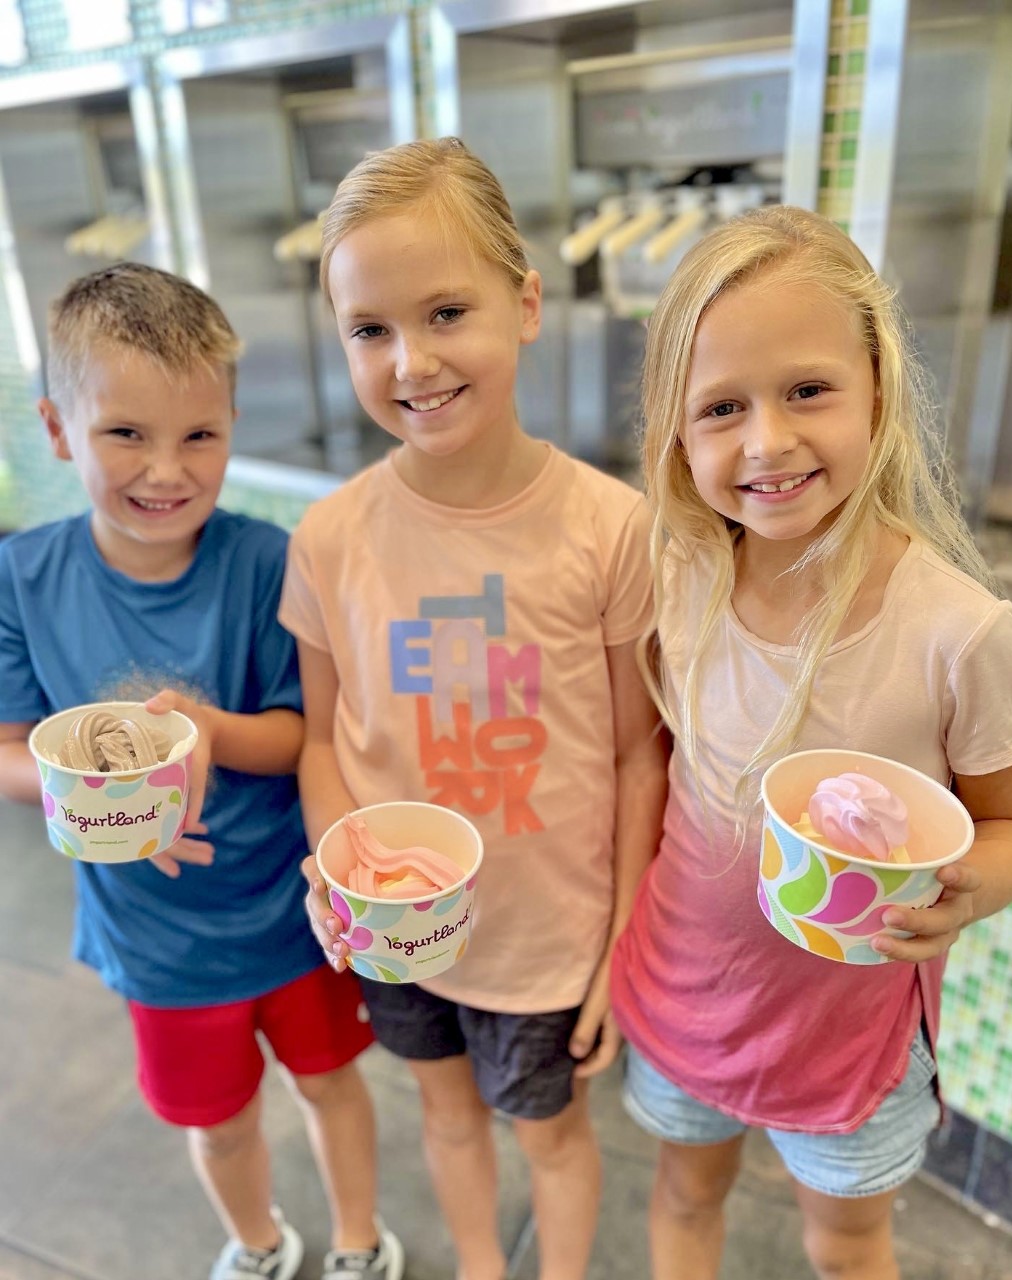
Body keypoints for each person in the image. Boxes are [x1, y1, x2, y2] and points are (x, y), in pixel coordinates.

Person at [609, 204, 1012, 1280]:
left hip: (850, 1032)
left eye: (807, 390)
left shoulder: (959, 631)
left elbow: (1011, 822)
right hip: (687, 988)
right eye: (721, 407)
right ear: (676, 432)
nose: (767, 441)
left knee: (847, 1246)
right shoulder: (679, 575)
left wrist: (964, 893)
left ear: (877, 387)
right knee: (683, 1196)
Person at [282, 137, 669, 1280]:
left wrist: (619, 943)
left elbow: (639, 756)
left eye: (447, 312)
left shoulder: (610, 528)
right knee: (445, 1116)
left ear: (527, 304)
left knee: (549, 1136)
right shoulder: (330, 536)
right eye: (369, 329)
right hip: (397, 932)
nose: (412, 360)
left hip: (546, 939)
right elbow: (322, 737)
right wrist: (339, 872)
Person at [0, 263, 404, 1280]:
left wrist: (211, 731)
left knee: (331, 1084)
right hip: (157, 940)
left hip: (290, 913)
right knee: (217, 1121)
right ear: (57, 429)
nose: (165, 469)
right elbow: (9, 749)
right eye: (125, 432)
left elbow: (303, 732)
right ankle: (258, 1243)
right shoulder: (22, 579)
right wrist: (93, 793)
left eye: (199, 436)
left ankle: (359, 1241)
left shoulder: (270, 561)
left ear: (232, 426)